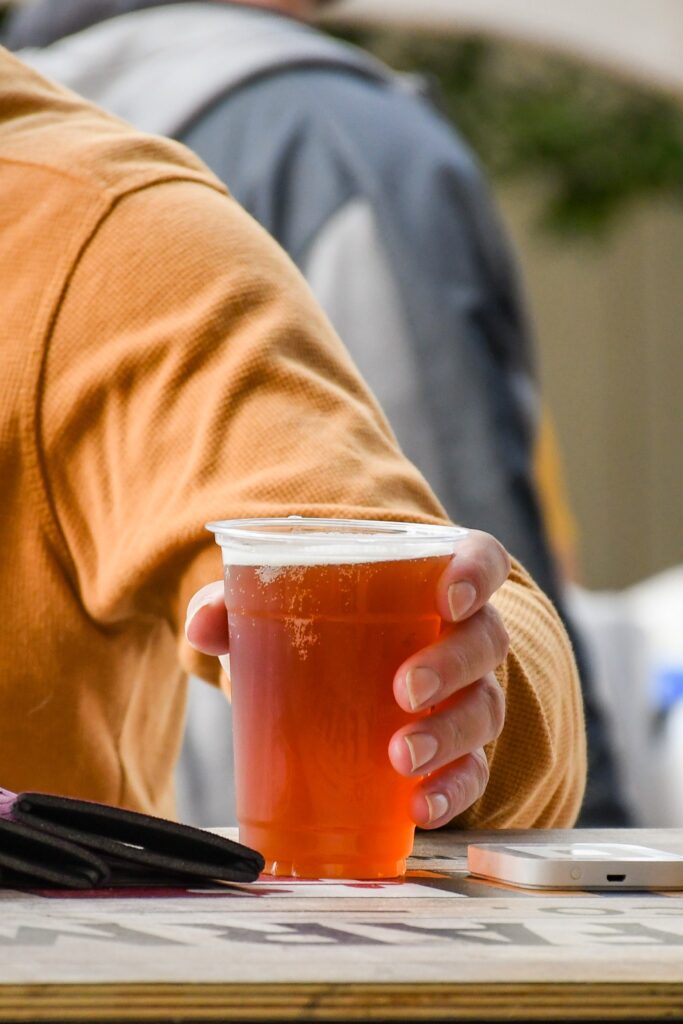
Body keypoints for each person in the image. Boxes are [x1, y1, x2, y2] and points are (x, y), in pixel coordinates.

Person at [4, 0, 629, 826]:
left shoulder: (113, 229)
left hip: (303, 833)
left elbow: (445, 588)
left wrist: (481, 696)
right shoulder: (346, 140)